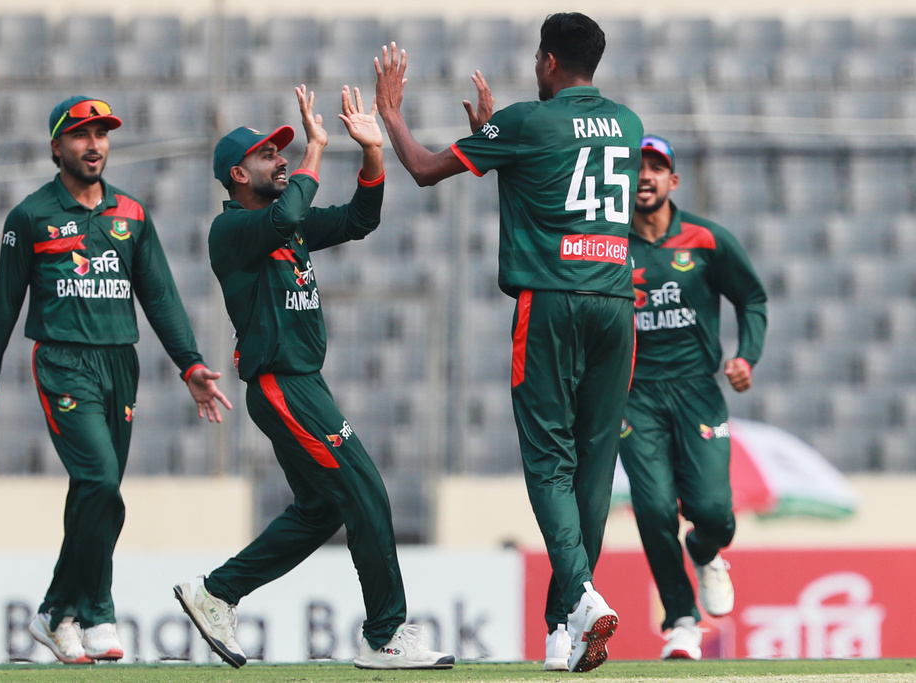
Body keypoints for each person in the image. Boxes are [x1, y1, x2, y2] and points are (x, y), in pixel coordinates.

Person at [373, 12, 642, 674]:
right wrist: (491, 139)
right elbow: (551, 176)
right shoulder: (629, 124)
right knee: (594, 467)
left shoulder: (527, 121)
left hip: (550, 301)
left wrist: (391, 114)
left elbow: (424, 169)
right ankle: (563, 628)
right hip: (616, 303)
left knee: (549, 461)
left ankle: (581, 600)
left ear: (548, 61)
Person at [172, 84, 454, 670]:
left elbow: (360, 218)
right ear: (237, 175)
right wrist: (317, 147)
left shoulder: (287, 225)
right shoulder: (233, 230)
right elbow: (287, 215)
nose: (280, 158)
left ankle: (217, 593)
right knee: (367, 492)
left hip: (303, 383)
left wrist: (372, 153)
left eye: (283, 150)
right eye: (267, 154)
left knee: (321, 510)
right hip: (282, 384)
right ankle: (385, 636)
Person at [0, 95, 232, 665]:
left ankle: (54, 614)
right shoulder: (30, 216)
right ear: (56, 146)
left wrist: (190, 365)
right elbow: (4, 302)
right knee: (101, 481)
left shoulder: (131, 213)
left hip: (119, 364)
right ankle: (98, 612)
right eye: (82, 135)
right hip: (63, 362)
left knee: (98, 496)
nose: (94, 145)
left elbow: (160, 296)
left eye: (102, 134)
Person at [622, 134, 767, 660]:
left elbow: (751, 297)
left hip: (697, 392)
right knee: (653, 508)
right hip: (633, 396)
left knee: (714, 513)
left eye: (656, 167)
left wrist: (746, 356)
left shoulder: (706, 239)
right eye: (636, 167)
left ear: (673, 180)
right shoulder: (609, 245)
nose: (645, 176)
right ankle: (681, 620)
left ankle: (705, 552)